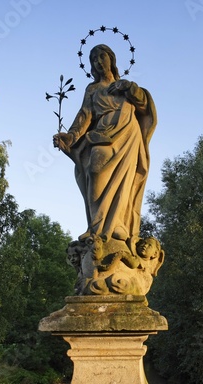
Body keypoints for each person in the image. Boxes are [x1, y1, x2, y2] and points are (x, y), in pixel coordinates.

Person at [53, 44, 157, 243]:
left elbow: (145, 105)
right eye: (94, 59)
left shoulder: (125, 86)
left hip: (127, 134)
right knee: (94, 171)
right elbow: (85, 116)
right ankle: (97, 227)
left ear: (111, 58)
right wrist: (70, 137)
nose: (99, 62)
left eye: (102, 56)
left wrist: (130, 89)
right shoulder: (92, 89)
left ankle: (118, 225)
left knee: (125, 180)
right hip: (101, 133)